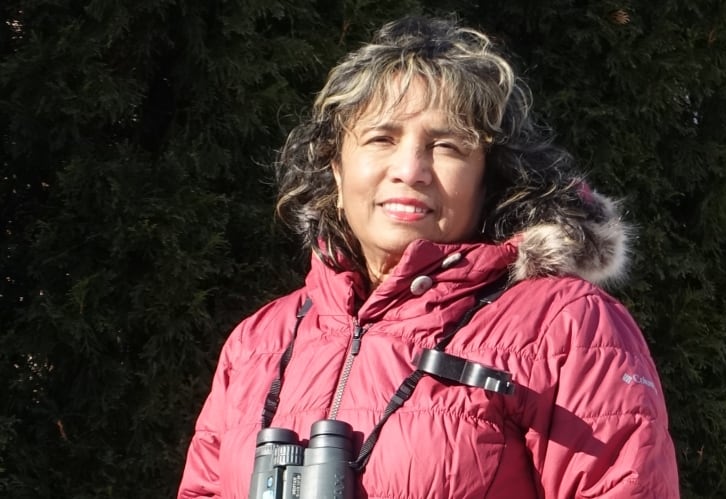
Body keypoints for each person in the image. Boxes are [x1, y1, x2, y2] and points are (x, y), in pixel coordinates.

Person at [178, 16, 679, 499]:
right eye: (381, 138)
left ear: (490, 177)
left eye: (446, 146)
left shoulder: (564, 327)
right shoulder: (260, 340)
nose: (410, 170)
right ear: (335, 165)